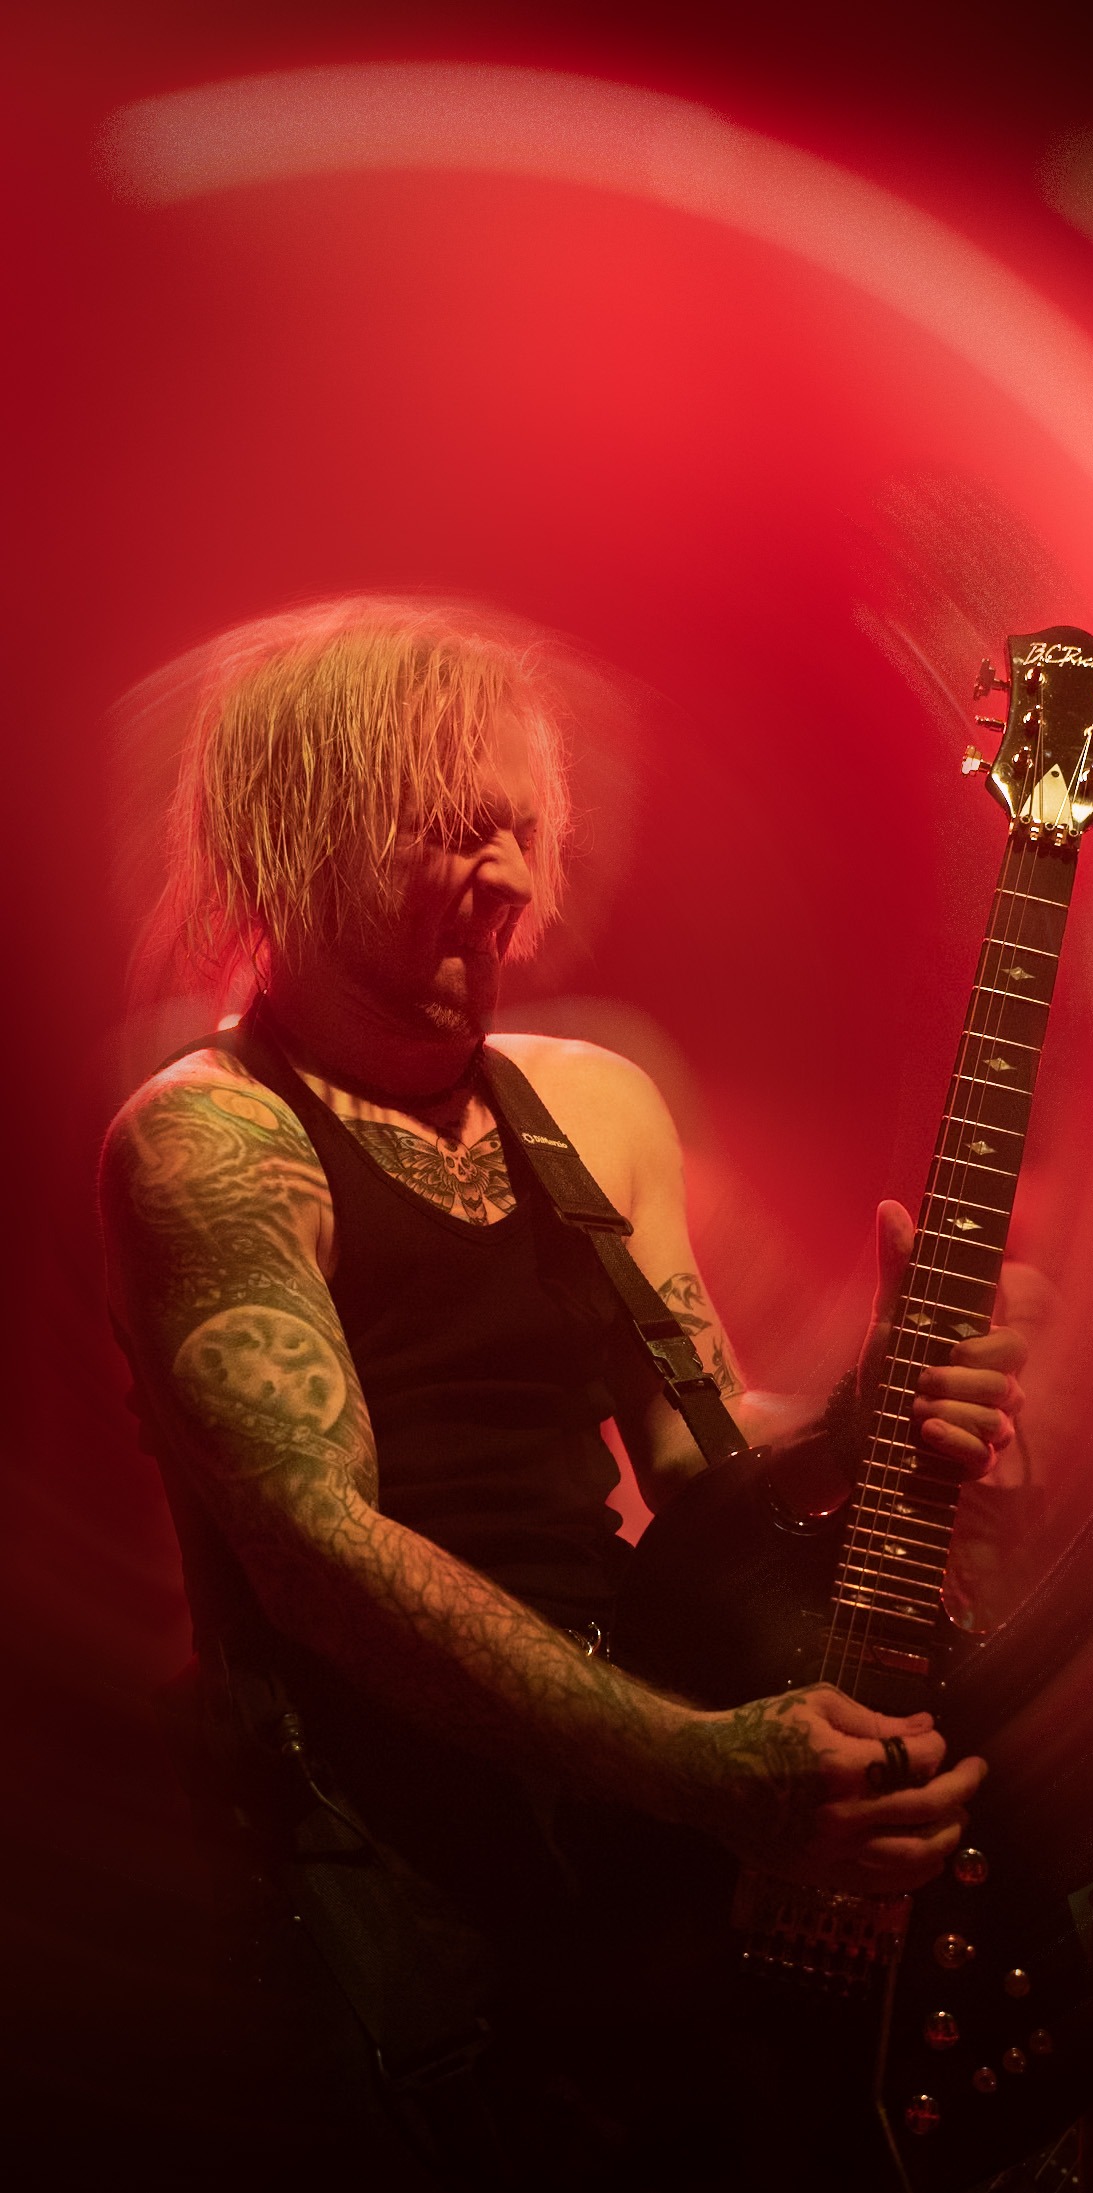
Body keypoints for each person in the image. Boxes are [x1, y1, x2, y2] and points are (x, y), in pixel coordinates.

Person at [99, 598, 1031, 2188]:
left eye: (526, 832)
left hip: (619, 1792)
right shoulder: (206, 1142)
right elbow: (316, 1557)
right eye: (458, 830)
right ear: (304, 835)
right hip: (377, 1839)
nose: (518, 880)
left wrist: (855, 1427)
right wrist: (698, 1765)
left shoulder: (595, 1105)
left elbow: (696, 1456)